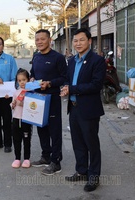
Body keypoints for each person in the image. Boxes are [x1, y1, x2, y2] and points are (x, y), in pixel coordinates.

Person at [60, 28, 106, 192]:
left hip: (89, 109)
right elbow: (67, 79)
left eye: (81, 40)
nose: (78, 43)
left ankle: (93, 176)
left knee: (91, 144)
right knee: (77, 143)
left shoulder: (97, 61)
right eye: (75, 40)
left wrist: (72, 89)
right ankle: (81, 171)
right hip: (73, 108)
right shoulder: (71, 61)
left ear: (89, 41)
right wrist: (65, 88)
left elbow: (96, 85)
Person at [29, 29, 67, 175]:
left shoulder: (58, 57)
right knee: (41, 128)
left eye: (42, 39)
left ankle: (56, 161)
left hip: (52, 98)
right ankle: (45, 156)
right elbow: (33, 73)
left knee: (54, 130)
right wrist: (32, 79)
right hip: (38, 98)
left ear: (49, 40)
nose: (39, 42)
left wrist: (50, 83)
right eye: (37, 39)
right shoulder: (36, 57)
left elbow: (64, 78)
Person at [11, 68, 32, 168]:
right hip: (16, 118)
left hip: (26, 119)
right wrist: (13, 104)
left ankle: (27, 158)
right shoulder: (16, 92)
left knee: (26, 138)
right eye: (19, 80)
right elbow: (12, 103)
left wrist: (23, 103)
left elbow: (33, 106)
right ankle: (17, 158)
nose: (22, 82)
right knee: (16, 139)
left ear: (28, 79)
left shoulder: (30, 92)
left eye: (24, 79)